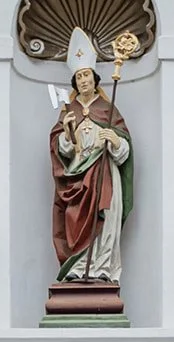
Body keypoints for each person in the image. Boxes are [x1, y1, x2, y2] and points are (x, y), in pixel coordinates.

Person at [50, 27, 133, 284]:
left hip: (104, 174)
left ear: (94, 78)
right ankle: (77, 269)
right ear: (74, 82)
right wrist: (67, 134)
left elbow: (125, 151)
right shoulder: (68, 111)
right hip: (78, 177)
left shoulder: (107, 110)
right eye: (79, 76)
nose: (83, 80)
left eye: (86, 75)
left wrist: (115, 140)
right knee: (74, 218)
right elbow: (60, 151)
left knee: (106, 218)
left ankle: (101, 268)